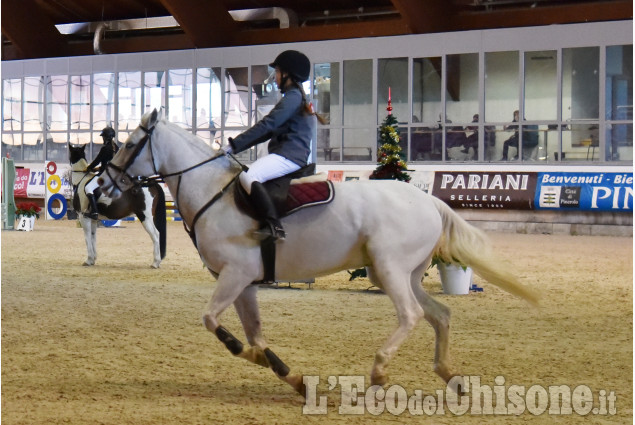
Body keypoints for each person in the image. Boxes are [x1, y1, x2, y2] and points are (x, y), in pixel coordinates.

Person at [223, 50, 320, 241]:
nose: (274, 77)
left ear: (288, 75)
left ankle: (273, 225)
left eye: (276, 72)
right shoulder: (295, 97)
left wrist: (233, 146)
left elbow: (268, 124)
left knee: (249, 176)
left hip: (289, 156)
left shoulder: (293, 98)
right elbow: (268, 132)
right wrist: (235, 147)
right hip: (289, 154)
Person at [84, 126, 119, 219]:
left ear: (106, 137)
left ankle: (94, 212)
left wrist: (88, 168)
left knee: (88, 188)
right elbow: (109, 164)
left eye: (103, 137)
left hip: (105, 176)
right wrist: (98, 169)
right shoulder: (117, 148)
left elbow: (97, 160)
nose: (102, 138)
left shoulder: (105, 148)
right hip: (114, 176)